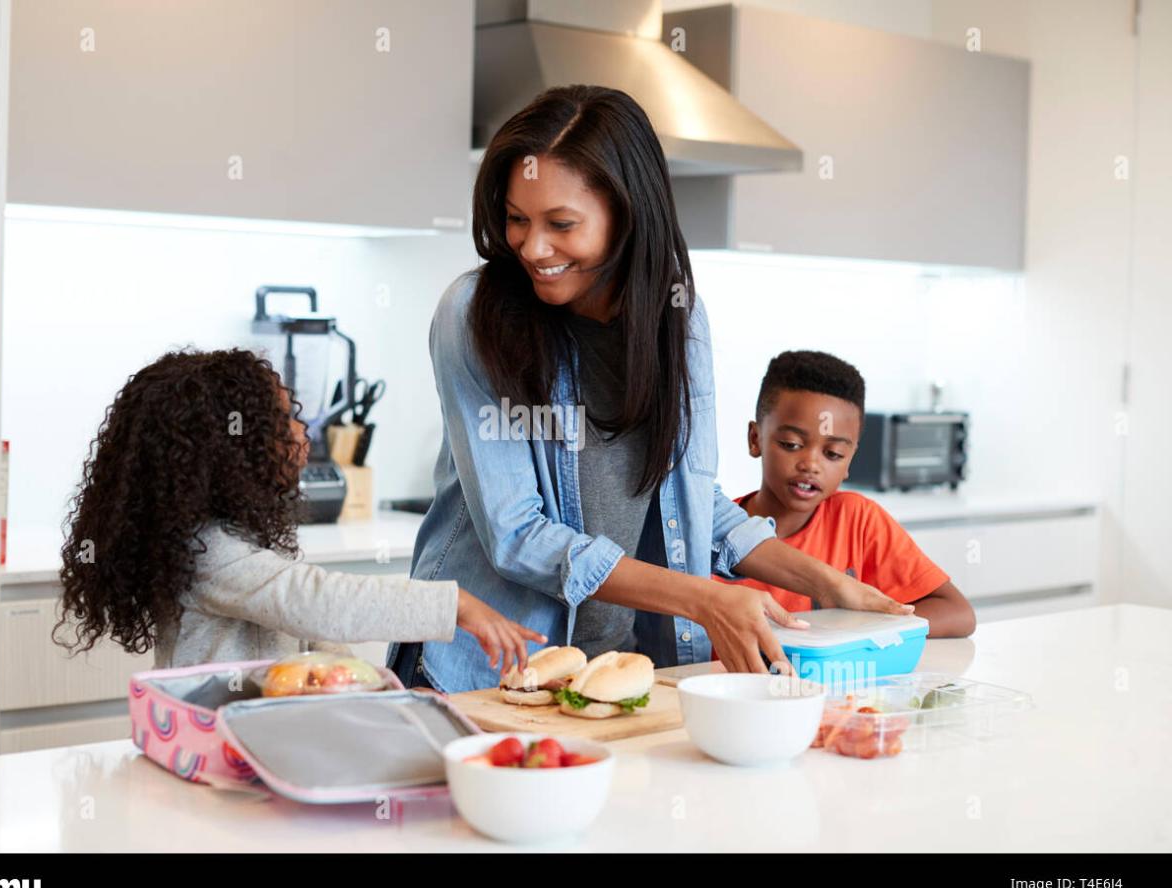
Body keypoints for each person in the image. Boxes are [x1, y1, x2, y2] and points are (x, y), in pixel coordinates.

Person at [388, 85, 910, 694]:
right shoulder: (472, 315)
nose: (533, 247)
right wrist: (701, 599)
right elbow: (518, 538)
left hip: (611, 673)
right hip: (481, 669)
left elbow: (691, 498)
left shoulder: (676, 318)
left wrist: (827, 583)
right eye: (516, 219)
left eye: (562, 224)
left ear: (628, 213)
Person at [55, 349, 543, 671]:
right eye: (285, 417)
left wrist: (363, 679)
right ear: (232, 448)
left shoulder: (232, 536)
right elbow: (314, 602)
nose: (302, 429)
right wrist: (454, 604)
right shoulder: (208, 552)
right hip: (214, 748)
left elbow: (299, 627)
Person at [725, 350, 977, 637]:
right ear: (755, 438)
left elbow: (958, 613)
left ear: (850, 461)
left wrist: (850, 632)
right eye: (791, 444)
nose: (811, 465)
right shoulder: (716, 538)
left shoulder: (858, 521)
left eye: (833, 453)